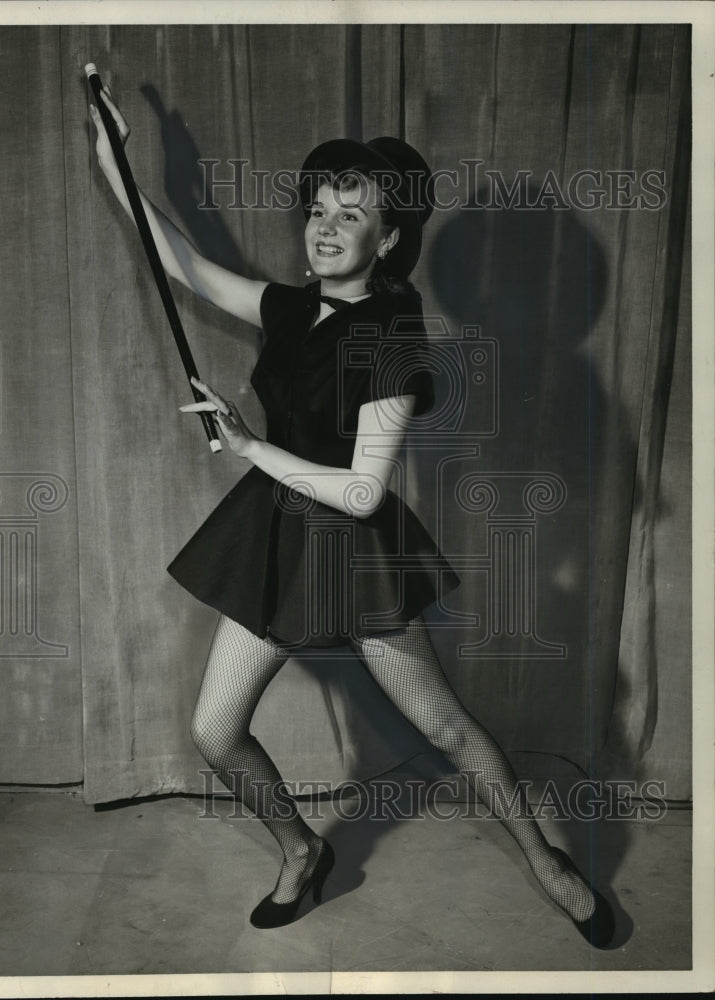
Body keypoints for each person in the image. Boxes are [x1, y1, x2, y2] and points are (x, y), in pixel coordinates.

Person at [88, 83, 615, 946]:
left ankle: (546, 860)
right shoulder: (289, 307)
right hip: (278, 533)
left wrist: (251, 447)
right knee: (214, 732)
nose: (325, 227)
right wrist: (115, 153)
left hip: (353, 543)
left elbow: (364, 490)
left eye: (351, 215)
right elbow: (177, 260)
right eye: (318, 209)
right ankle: (300, 850)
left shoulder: (394, 335)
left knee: (445, 724)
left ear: (390, 238)